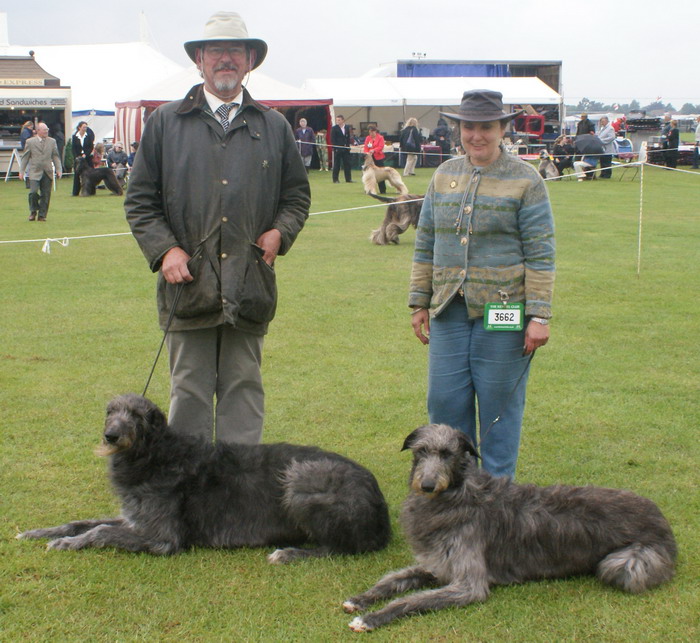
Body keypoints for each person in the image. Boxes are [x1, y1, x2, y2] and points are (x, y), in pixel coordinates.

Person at [125, 12, 310, 446]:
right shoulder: (165, 123)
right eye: (215, 51)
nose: (225, 59)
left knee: (243, 392)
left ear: (249, 61)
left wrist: (280, 232)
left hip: (249, 285)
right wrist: (165, 250)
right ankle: (188, 499)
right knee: (187, 392)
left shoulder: (274, 126)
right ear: (199, 60)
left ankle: (239, 496)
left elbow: (297, 197)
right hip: (189, 287)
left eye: (234, 51)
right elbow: (139, 201)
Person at [409, 89, 555, 479]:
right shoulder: (444, 175)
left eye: (486, 127)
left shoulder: (527, 180)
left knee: (499, 408)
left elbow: (541, 253)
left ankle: (498, 497)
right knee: (444, 403)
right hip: (447, 310)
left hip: (504, 312)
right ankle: (455, 489)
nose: (476, 135)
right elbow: (426, 241)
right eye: (468, 127)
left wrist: (539, 314)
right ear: (458, 129)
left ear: (502, 129)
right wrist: (418, 301)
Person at [19, 122, 63, 221]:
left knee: (46, 194)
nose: (46, 131)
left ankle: (42, 215)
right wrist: (21, 171)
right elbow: (25, 157)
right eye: (44, 130)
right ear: (38, 131)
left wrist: (59, 169)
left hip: (47, 172)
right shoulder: (30, 142)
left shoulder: (52, 141)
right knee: (33, 193)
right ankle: (33, 211)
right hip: (34, 171)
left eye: (47, 129)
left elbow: (55, 156)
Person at [71, 121, 95, 196]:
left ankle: (91, 191)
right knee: (77, 174)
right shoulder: (75, 136)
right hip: (78, 157)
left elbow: (91, 147)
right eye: (84, 127)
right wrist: (76, 156)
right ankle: (75, 192)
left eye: (86, 127)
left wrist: (86, 154)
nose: (85, 128)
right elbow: (73, 148)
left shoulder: (89, 136)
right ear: (79, 127)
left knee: (90, 174)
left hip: (87, 157)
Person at [363, 125, 387, 194]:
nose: (371, 134)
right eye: (370, 132)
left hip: (378, 157)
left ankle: (382, 190)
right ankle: (368, 189)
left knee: (381, 173)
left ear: (375, 131)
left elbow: (381, 146)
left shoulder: (380, 138)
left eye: (372, 132)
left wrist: (374, 150)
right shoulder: (368, 138)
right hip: (369, 158)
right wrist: (367, 152)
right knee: (368, 174)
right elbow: (366, 147)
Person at [331, 114, 353, 183]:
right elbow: (333, 139)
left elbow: (348, 137)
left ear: (343, 120)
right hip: (338, 149)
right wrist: (335, 148)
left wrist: (348, 146)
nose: (337, 121)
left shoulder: (346, 127)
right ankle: (335, 179)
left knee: (347, 164)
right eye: (337, 120)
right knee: (337, 164)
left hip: (346, 148)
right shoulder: (334, 128)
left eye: (339, 120)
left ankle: (348, 179)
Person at [19, 120, 35, 188]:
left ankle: (29, 182)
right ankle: (28, 182)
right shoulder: (26, 132)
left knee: (29, 166)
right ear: (29, 126)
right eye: (31, 127)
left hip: (26, 149)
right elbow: (28, 140)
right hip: (28, 150)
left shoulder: (25, 131)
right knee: (29, 166)